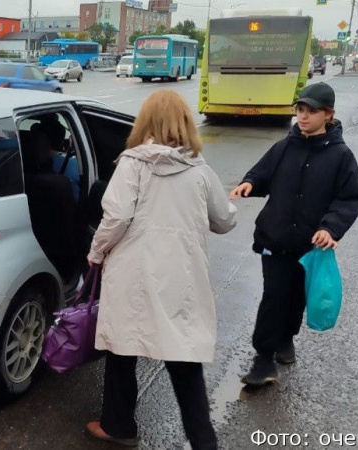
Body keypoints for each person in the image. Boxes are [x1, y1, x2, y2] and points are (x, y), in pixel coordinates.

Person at [86, 90, 237, 449]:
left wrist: (95, 252)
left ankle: (119, 426)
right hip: (181, 276)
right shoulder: (200, 170)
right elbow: (224, 220)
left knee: (123, 348)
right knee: (183, 356)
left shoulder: (132, 163)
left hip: (133, 273)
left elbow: (117, 217)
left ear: (146, 122)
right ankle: (203, 440)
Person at [230, 82, 358, 386]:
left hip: (308, 246)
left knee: (295, 298)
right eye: (300, 109)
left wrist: (330, 227)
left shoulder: (341, 156)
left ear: (328, 114)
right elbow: (261, 173)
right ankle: (263, 360)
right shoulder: (284, 146)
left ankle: (286, 338)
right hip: (274, 240)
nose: (303, 116)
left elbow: (349, 198)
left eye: (311, 111)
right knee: (273, 297)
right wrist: (250, 183)